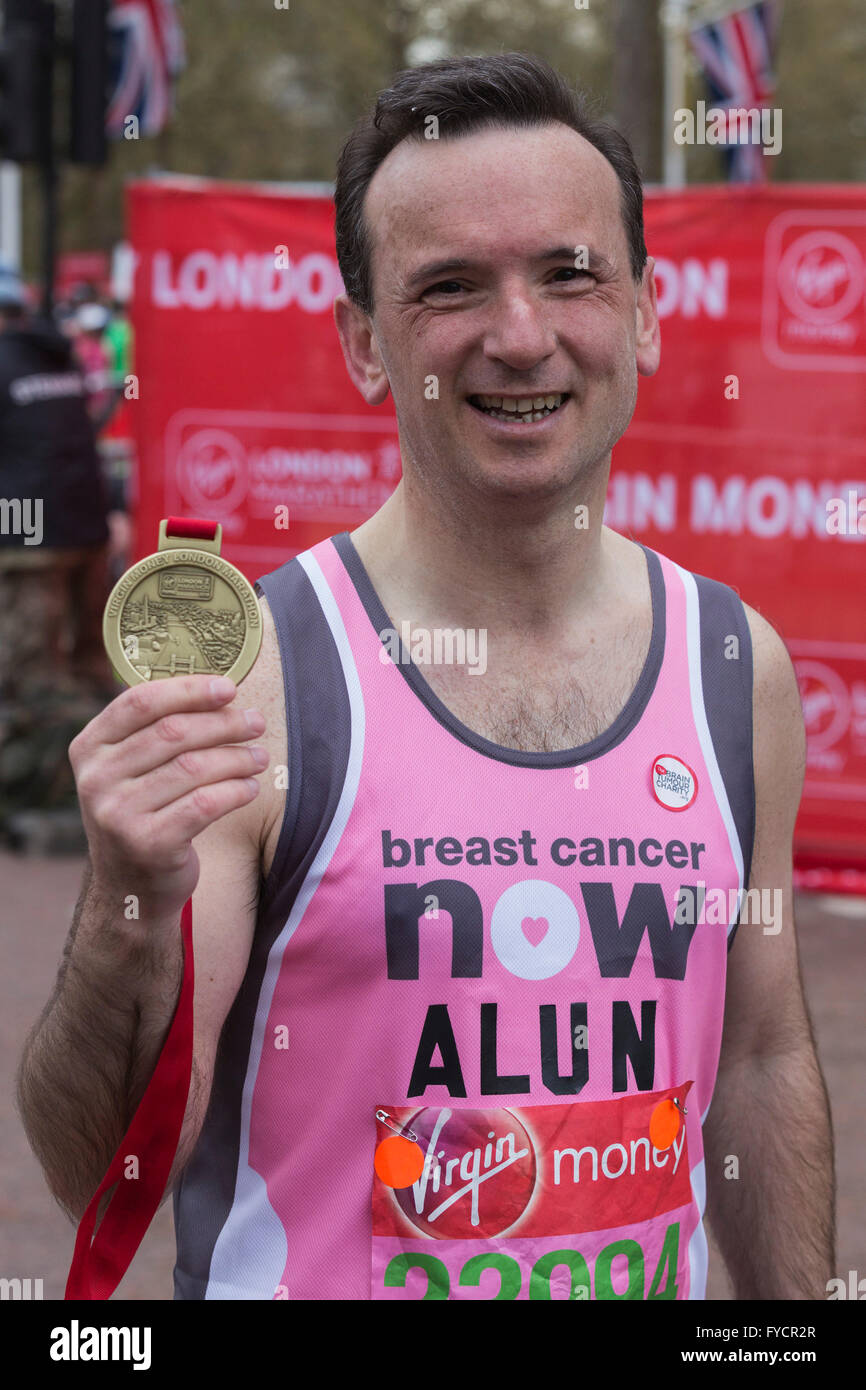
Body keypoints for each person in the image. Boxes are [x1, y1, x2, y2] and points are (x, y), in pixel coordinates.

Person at [17, 53, 834, 1301]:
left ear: (645, 313)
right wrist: (127, 909)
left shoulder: (735, 663)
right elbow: (100, 1177)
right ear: (363, 342)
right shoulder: (264, 683)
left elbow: (760, 1058)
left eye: (568, 273)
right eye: (449, 287)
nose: (519, 336)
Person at [0, 264, 114, 838]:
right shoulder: (57, 353)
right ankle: (109, 782)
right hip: (82, 524)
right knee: (88, 663)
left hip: (27, 538)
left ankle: (49, 796)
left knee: (32, 674)